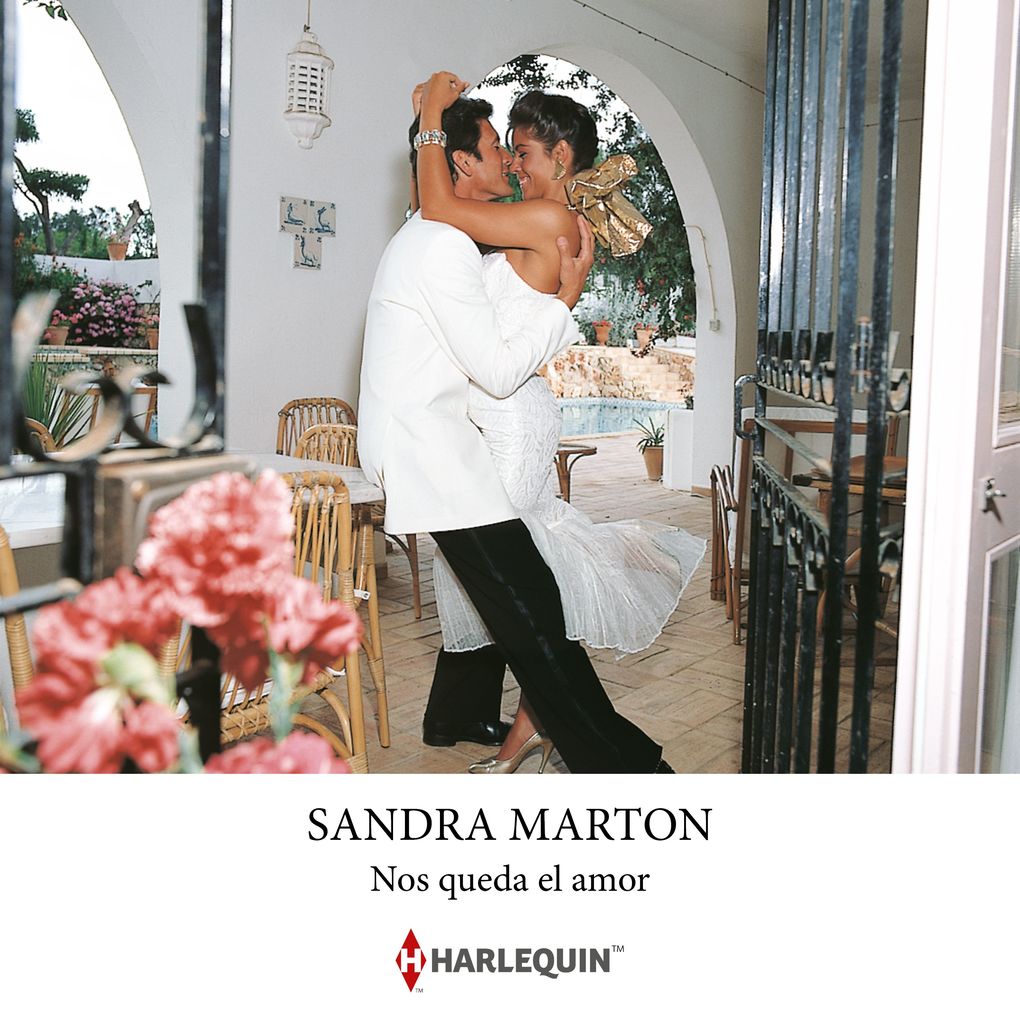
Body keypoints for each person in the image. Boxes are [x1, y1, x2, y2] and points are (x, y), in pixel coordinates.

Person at [358, 77, 670, 773]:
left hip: (469, 436)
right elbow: (436, 202)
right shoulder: (443, 236)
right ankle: (627, 768)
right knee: (527, 612)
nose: (508, 160)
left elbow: (434, 201)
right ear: (462, 161)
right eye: (500, 147)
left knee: (525, 609)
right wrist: (566, 299)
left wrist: (430, 119)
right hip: (442, 444)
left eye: (518, 148)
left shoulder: (455, 229)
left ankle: (507, 728)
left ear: (559, 155)